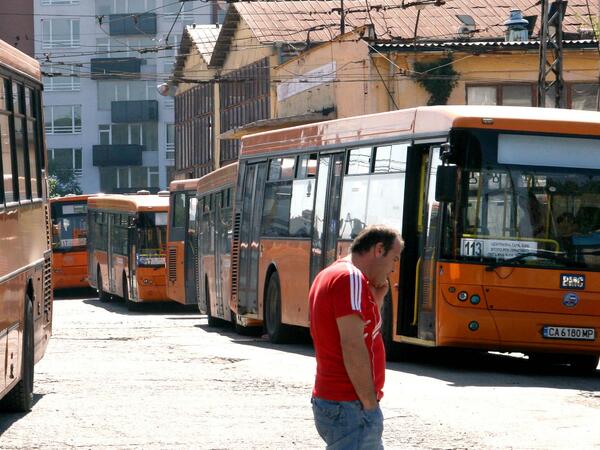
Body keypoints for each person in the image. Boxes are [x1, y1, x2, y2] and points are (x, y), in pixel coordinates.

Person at [309, 225, 404, 449]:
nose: (393, 268)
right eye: (394, 259)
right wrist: (370, 405)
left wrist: (376, 300)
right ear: (379, 250)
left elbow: (363, 334)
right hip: (350, 405)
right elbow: (352, 345)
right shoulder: (350, 278)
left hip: (340, 402)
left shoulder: (334, 273)